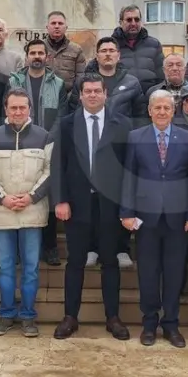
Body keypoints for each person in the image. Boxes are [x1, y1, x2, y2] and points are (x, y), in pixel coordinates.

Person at [50, 74, 133, 341]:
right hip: (77, 205)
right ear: (81, 95)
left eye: (98, 91)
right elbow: (58, 165)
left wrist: (127, 207)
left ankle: (113, 317)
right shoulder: (65, 124)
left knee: (110, 262)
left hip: (110, 205)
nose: (93, 95)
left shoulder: (122, 124)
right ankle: (70, 316)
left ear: (105, 94)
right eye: (88, 91)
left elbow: (128, 169)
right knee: (75, 262)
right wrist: (60, 200)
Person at [121, 90, 188, 348]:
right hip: (146, 220)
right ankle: (149, 324)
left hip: (178, 221)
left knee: (175, 274)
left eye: (167, 108)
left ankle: (171, 325)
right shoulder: (136, 137)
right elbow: (129, 178)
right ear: (149, 111)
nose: (162, 112)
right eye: (157, 108)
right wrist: (126, 212)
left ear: (173, 110)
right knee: (147, 273)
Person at [0, 88, 53, 338]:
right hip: (2, 212)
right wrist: (4, 198)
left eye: (23, 107)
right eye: (14, 108)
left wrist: (32, 196)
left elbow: (50, 171)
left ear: (29, 109)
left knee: (31, 268)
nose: (18, 112)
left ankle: (28, 316)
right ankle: (6, 314)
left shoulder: (44, 136)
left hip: (33, 211)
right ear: (6, 109)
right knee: (6, 267)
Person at [9, 38, 68, 266]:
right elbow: (11, 110)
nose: (36, 56)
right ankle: (17, 249)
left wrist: (47, 138)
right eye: (32, 52)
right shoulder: (15, 81)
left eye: (40, 53)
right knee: (21, 191)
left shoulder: (58, 83)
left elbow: (62, 115)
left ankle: (50, 246)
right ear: (27, 56)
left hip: (48, 145)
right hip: (20, 143)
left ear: (47, 57)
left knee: (48, 195)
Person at [106, 5, 166, 94]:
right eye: (129, 20)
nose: (133, 23)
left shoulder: (154, 44)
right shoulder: (110, 46)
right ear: (121, 22)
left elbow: (162, 75)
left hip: (149, 96)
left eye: (137, 19)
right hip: (122, 97)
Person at [42, 10, 86, 90]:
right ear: (47, 27)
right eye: (53, 23)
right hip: (43, 96)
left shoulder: (76, 50)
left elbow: (80, 77)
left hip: (67, 97)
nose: (57, 26)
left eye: (60, 23)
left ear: (66, 27)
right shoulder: (39, 48)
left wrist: (73, 97)